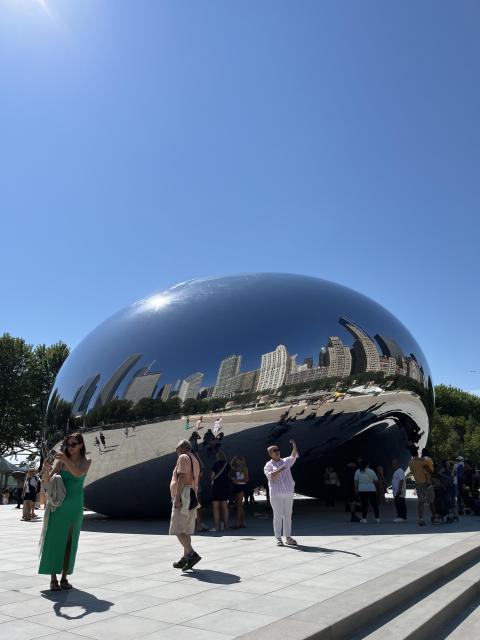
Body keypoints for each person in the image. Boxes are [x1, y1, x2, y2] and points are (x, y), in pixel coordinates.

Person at [38, 433, 91, 590]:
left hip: (75, 506)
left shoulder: (86, 461)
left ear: (81, 445)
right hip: (58, 505)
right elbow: (48, 482)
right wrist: (46, 470)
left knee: (70, 541)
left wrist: (64, 460)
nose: (70, 448)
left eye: (73, 444)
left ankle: (64, 578)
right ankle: (53, 578)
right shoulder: (60, 463)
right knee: (54, 539)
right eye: (68, 445)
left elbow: (77, 473)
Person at [169, 439, 201, 570]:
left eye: (177, 449)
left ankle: (192, 554)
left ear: (182, 448)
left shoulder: (183, 457)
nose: (176, 452)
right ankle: (186, 558)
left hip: (184, 496)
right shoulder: (194, 459)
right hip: (192, 495)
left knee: (177, 529)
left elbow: (181, 477)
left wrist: (177, 498)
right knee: (185, 530)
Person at [264, 439, 299, 546]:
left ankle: (288, 537)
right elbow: (270, 476)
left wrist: (294, 445)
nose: (277, 451)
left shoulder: (286, 461)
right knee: (278, 516)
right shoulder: (268, 465)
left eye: (278, 449)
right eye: (274, 450)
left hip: (288, 492)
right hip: (276, 494)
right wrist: (280, 469)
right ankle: (278, 538)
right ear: (270, 453)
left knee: (288, 515)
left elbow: (293, 455)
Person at [409, 446, 437, 525]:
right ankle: (434, 518)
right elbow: (428, 470)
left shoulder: (410, 462)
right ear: (417, 453)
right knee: (431, 502)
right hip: (427, 483)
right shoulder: (422, 460)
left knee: (421, 502)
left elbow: (412, 471)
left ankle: (421, 518)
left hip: (418, 484)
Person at [210, 450, 231, 532]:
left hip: (217, 487)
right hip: (225, 486)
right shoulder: (227, 464)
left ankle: (217, 526)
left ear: (217, 457)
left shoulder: (216, 464)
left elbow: (212, 476)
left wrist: (212, 478)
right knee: (225, 507)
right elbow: (229, 474)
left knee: (215, 507)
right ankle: (226, 525)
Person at [230, 456, 248, 528]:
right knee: (239, 505)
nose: (236, 462)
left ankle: (238, 523)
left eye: (237, 460)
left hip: (241, 486)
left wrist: (237, 480)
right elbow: (230, 465)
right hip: (237, 486)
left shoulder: (244, 468)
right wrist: (233, 459)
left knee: (238, 506)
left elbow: (246, 479)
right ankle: (242, 522)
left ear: (241, 461)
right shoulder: (238, 468)